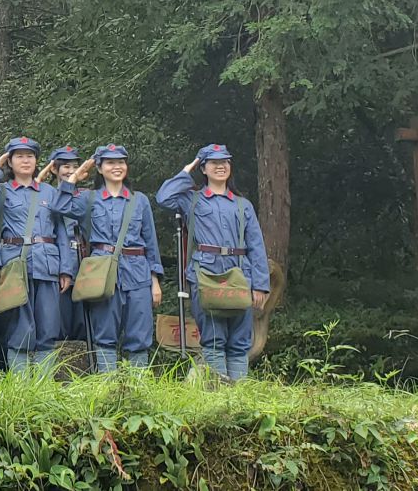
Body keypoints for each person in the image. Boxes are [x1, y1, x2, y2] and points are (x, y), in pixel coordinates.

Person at [156, 143, 270, 382]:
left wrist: (260, 284)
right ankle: (216, 397)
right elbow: (163, 197)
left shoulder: (243, 204)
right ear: (204, 168)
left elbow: (257, 246)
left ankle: (238, 394)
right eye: (214, 163)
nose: (221, 167)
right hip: (205, 273)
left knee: (239, 342)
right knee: (214, 340)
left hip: (240, 273)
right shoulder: (192, 200)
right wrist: (189, 168)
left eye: (225, 162)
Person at [55, 145, 164, 373]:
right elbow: (59, 206)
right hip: (102, 272)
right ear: (100, 169)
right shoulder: (88, 199)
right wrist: (75, 176)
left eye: (121, 162)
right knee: (104, 335)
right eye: (110, 163)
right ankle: (107, 390)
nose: (117, 167)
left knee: (139, 336)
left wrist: (155, 281)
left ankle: (137, 390)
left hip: (138, 272)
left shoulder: (139, 200)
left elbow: (151, 242)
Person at [0, 136, 70, 371]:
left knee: (48, 327)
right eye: (19, 156)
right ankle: (20, 388)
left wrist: (66, 268)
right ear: (11, 161)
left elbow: (62, 232)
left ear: (37, 161)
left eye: (30, 156)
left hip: (47, 265)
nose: (25, 161)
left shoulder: (50, 192)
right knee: (19, 329)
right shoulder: (2, 191)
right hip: (15, 266)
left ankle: (43, 388)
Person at [41, 146, 86, 342]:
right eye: (65, 166)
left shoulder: (85, 196)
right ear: (54, 169)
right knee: (57, 322)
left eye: (75, 167)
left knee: (84, 323)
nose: (70, 171)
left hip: (83, 264)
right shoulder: (46, 194)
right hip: (54, 264)